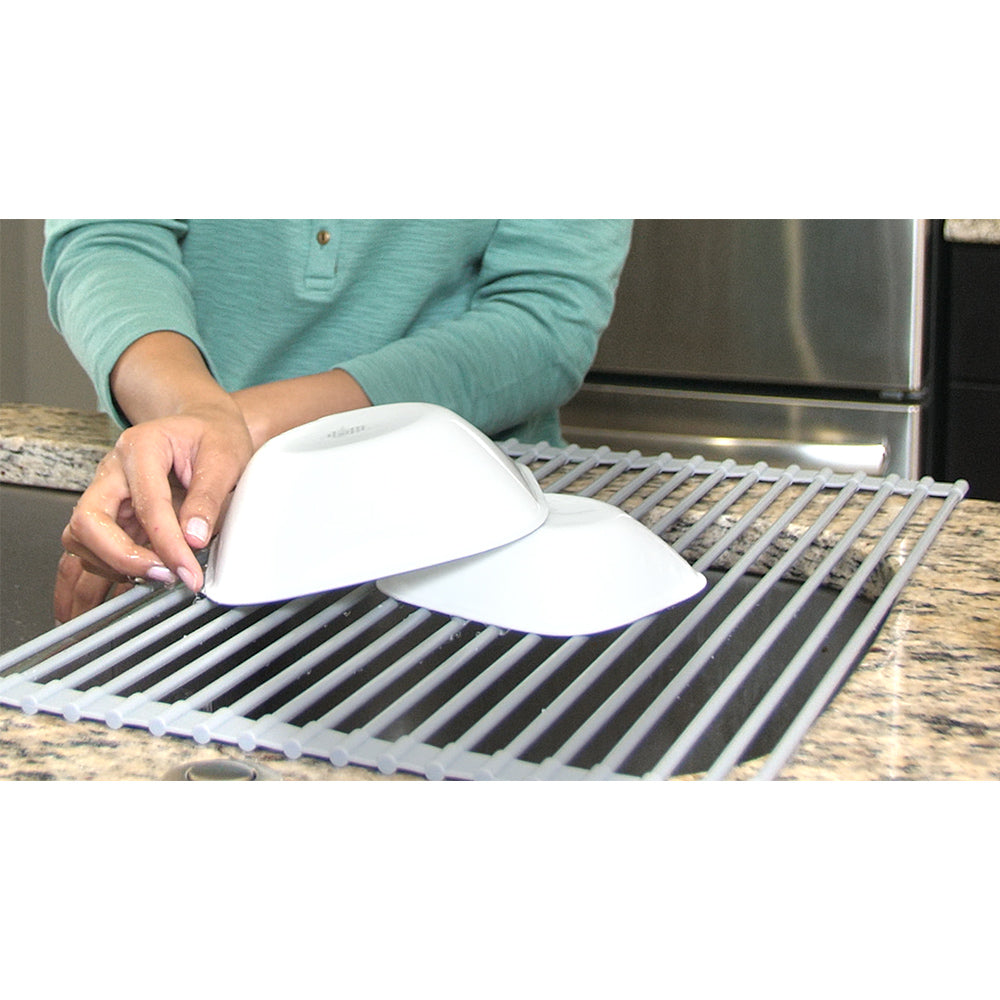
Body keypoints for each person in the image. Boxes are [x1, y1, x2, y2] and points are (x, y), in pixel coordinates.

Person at [43, 219, 633, 622]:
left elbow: (542, 323)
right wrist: (192, 418)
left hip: (471, 547)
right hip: (195, 535)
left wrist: (225, 433)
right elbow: (108, 239)